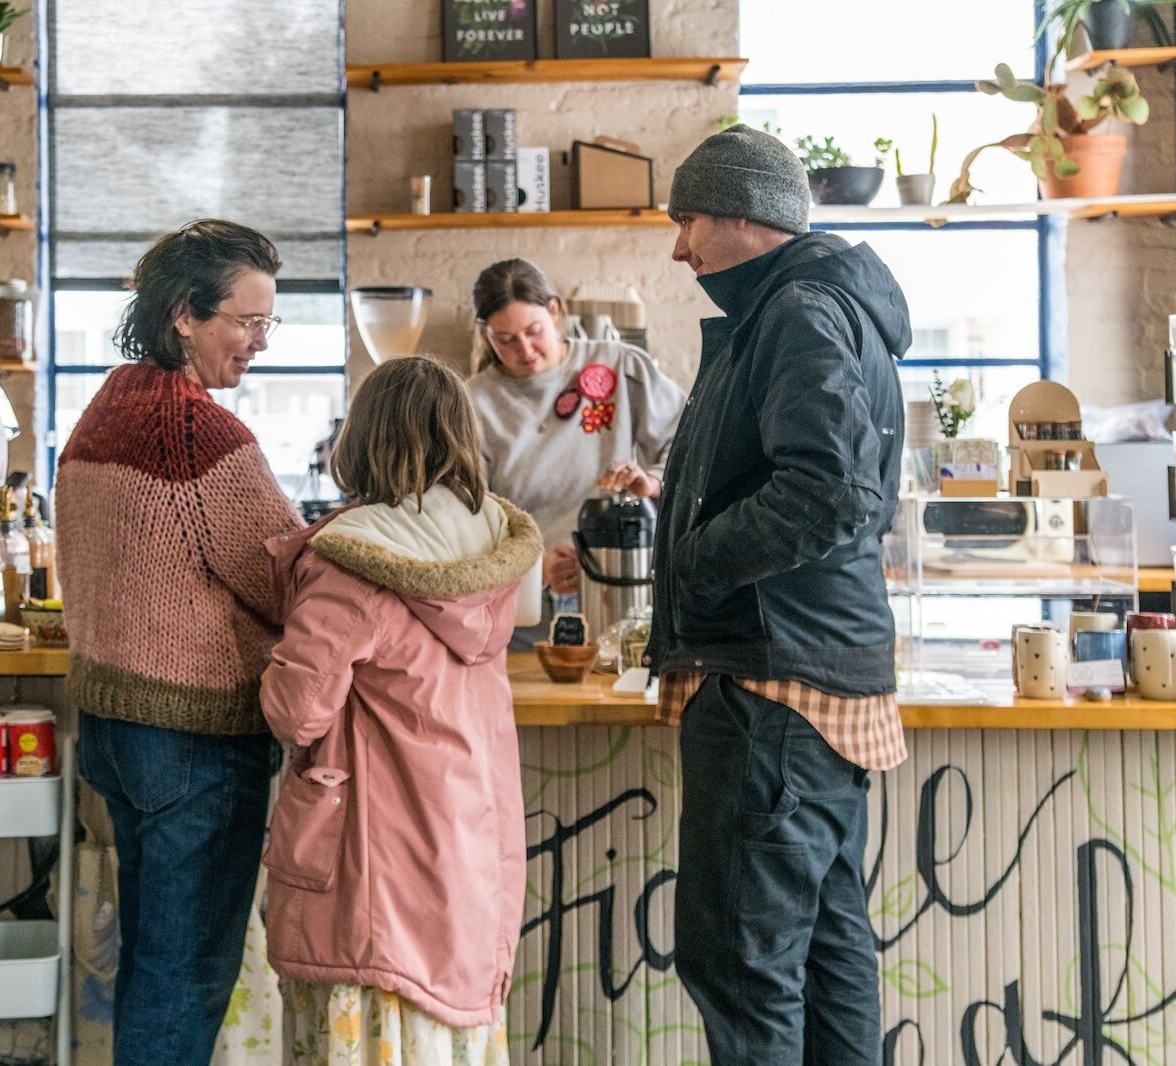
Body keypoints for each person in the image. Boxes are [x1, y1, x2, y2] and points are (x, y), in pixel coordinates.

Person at [643, 124, 912, 1064]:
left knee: (741, 965)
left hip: (770, 682)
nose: (680, 249)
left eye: (689, 222)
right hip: (809, 679)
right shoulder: (818, 307)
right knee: (829, 952)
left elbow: (830, 490)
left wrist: (694, 561)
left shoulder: (798, 309)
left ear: (743, 215)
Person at [55, 219, 303, 1064]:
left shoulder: (104, 409)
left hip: (115, 733)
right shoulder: (200, 433)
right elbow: (282, 580)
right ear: (184, 314)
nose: (260, 342)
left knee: (151, 963)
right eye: (247, 320)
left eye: (270, 324)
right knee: (188, 972)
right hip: (194, 742)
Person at [258, 356, 542, 1064]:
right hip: (464, 847)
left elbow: (297, 713)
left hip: (372, 866)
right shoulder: (491, 547)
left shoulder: (356, 557)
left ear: (362, 441)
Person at [466, 258, 685, 642]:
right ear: (485, 334)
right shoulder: (473, 403)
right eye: (506, 340)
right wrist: (534, 570)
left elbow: (690, 445)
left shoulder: (618, 364)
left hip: (624, 591)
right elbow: (471, 519)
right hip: (525, 607)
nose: (526, 349)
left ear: (555, 310)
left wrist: (651, 482)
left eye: (534, 331)